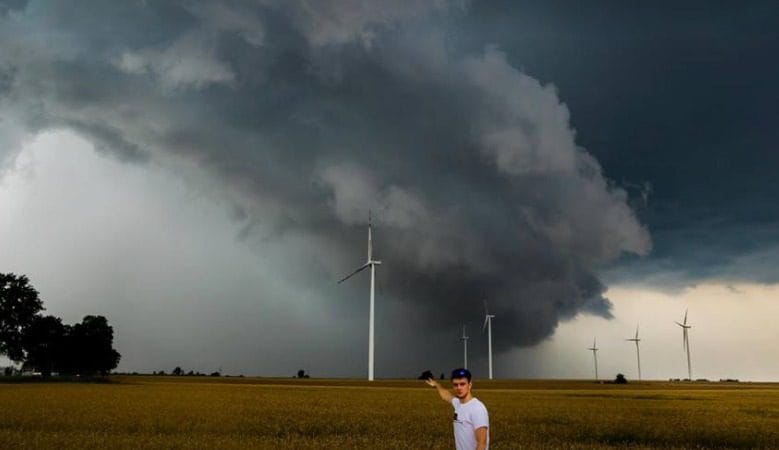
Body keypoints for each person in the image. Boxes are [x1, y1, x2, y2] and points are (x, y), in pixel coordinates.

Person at [425, 368, 489, 450]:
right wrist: (437, 385)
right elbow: (447, 396)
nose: (459, 388)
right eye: (456, 385)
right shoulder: (458, 403)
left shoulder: (477, 408)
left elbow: (482, 443)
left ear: (470, 385)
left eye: (462, 384)